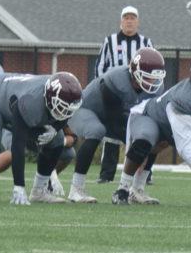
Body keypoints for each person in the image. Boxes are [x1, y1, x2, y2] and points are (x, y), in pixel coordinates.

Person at [0, 72, 83, 205]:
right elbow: (18, 145)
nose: (64, 113)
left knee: (57, 141)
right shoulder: (31, 101)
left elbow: (65, 116)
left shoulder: (61, 97)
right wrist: (19, 186)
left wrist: (55, 129)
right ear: (49, 98)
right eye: (60, 107)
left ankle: (39, 191)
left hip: (13, 103)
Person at [114, 55, 191, 205]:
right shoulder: (183, 100)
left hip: (176, 125)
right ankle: (122, 189)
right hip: (150, 116)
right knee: (146, 139)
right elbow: (186, 150)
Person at [67, 47, 166, 203]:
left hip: (118, 116)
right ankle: (76, 189)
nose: (152, 82)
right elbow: (114, 120)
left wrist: (144, 144)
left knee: (152, 136)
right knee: (96, 130)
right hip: (88, 110)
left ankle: (137, 190)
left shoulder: (156, 88)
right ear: (134, 72)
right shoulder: (116, 80)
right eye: (147, 77)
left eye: (154, 77)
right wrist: (136, 148)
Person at [95, 6, 154, 184]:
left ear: (138, 21)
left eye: (132, 18)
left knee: (142, 132)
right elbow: (100, 67)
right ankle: (106, 175)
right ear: (121, 21)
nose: (129, 21)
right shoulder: (109, 41)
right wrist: (101, 89)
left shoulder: (146, 42)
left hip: (139, 95)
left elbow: (154, 66)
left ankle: (145, 175)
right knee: (111, 133)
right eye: (126, 18)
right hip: (115, 93)